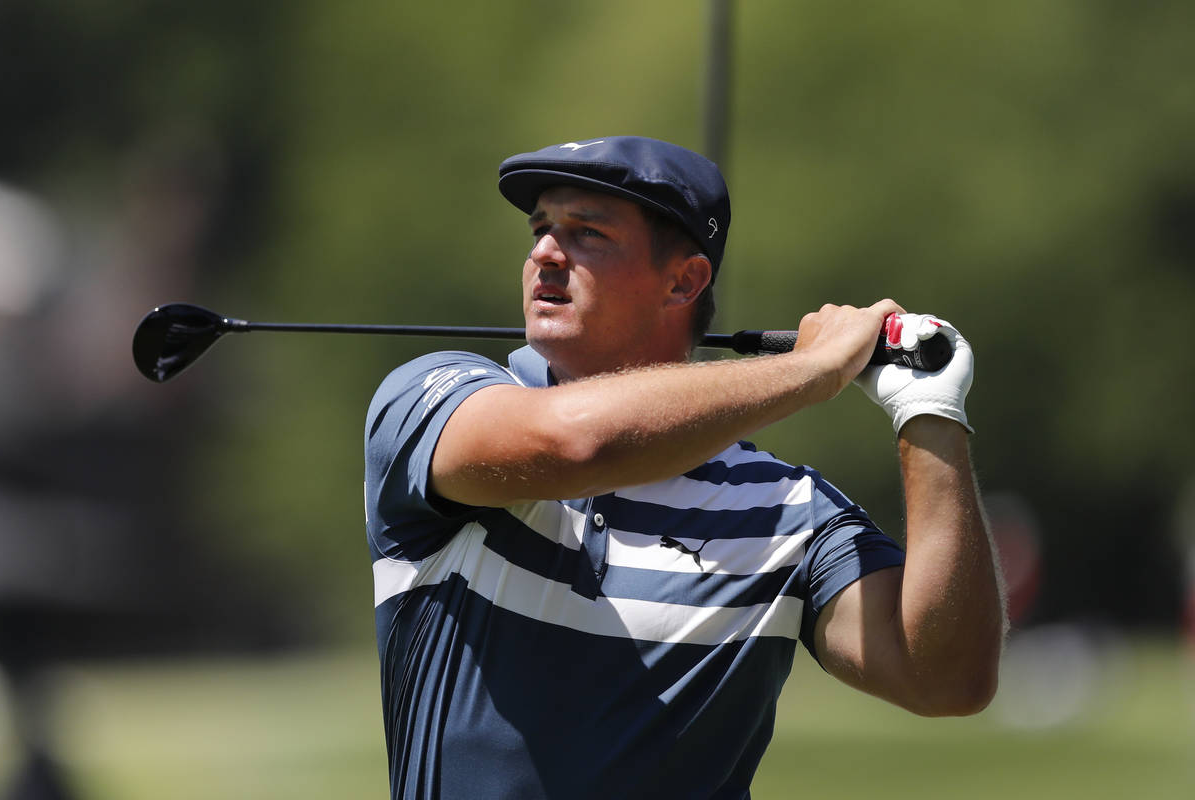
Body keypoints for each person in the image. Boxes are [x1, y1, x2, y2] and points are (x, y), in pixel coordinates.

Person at [364, 136, 1005, 799]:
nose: (544, 254)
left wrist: (930, 415)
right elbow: (575, 445)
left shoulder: (788, 511)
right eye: (540, 228)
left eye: (586, 233)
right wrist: (809, 371)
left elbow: (947, 679)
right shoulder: (433, 398)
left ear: (684, 280)